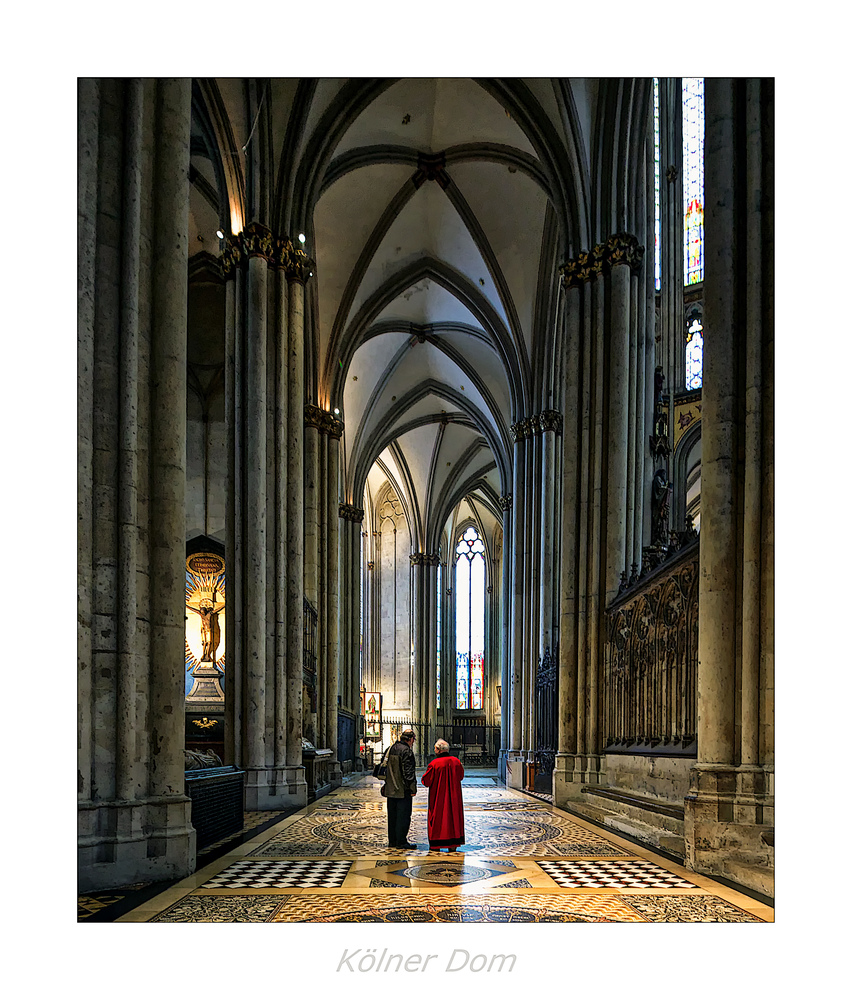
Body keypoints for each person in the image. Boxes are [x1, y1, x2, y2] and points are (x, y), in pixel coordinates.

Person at [421, 739, 465, 853]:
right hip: (454, 797)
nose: (434, 750)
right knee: (453, 818)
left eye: (435, 748)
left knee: (439, 818)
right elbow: (461, 776)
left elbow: (426, 781)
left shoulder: (434, 764)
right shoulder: (456, 762)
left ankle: (437, 844)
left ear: (439, 750)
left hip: (439, 797)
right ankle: (453, 844)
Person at [382, 728, 418, 850]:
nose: (413, 742)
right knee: (403, 817)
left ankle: (392, 841)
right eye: (413, 740)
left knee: (392, 817)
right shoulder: (406, 751)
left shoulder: (391, 748)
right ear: (411, 739)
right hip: (402, 791)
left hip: (390, 789)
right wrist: (412, 789)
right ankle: (401, 841)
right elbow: (408, 773)